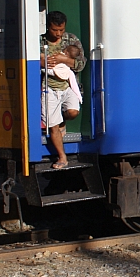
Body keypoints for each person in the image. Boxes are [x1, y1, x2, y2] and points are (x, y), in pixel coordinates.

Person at [41, 11, 85, 169]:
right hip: (49, 88)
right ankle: (62, 157)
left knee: (73, 112)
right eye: (55, 30)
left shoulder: (71, 39)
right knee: (52, 126)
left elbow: (81, 64)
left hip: (67, 86)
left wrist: (62, 59)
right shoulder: (40, 41)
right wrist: (43, 61)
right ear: (48, 27)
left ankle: (62, 122)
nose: (58, 33)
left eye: (61, 30)